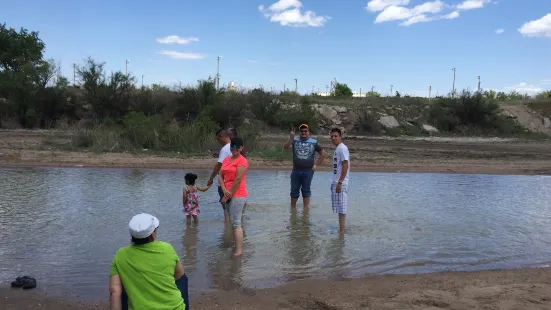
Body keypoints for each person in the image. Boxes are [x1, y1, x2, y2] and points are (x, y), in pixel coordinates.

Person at [109, 213, 186, 310]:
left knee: (122, 285)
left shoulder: (120, 255)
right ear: (153, 233)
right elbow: (179, 274)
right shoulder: (166, 248)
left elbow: (114, 291)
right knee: (183, 278)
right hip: (174, 308)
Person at [283, 123, 326, 209]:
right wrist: (291, 138)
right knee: (294, 191)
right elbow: (285, 147)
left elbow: (323, 153)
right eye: (302, 131)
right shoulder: (294, 140)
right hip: (296, 170)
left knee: (306, 191)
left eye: (305, 131)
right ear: (299, 132)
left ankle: (306, 210)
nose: (304, 132)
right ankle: (293, 210)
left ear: (308, 132)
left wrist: (316, 165)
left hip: (308, 171)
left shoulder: (314, 142)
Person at [219, 137, 249, 257]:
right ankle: (234, 245)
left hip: (238, 195)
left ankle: (239, 250)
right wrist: (225, 191)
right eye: (232, 147)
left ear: (241, 148)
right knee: (232, 222)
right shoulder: (227, 159)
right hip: (227, 192)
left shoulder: (242, 161)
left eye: (237, 147)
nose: (234, 149)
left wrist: (228, 193)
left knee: (236, 223)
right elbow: (220, 175)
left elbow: (238, 179)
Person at [207, 129, 233, 224]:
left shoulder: (225, 149)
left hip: (225, 182)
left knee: (226, 209)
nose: (218, 142)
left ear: (222, 137)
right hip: (234, 182)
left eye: (218, 139)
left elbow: (218, 165)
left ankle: (227, 231)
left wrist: (211, 178)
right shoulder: (235, 147)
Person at [330, 128, 350, 233]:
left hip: (340, 183)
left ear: (340, 137)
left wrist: (340, 182)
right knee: (338, 208)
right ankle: (341, 230)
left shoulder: (342, 148)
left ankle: (342, 231)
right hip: (336, 182)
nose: (333, 138)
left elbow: (345, 165)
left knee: (342, 209)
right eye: (332, 136)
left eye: (335, 136)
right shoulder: (338, 148)